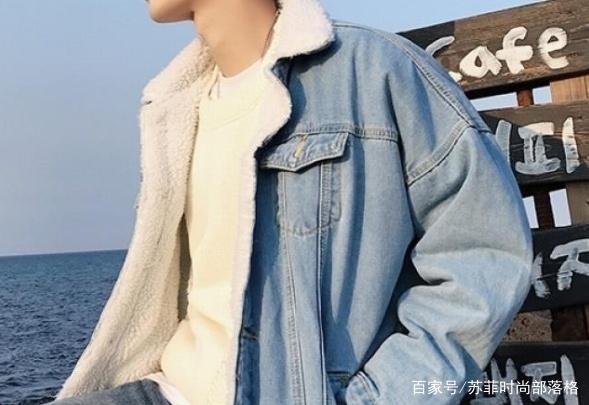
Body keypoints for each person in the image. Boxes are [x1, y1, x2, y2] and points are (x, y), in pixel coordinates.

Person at [49, 0, 534, 404]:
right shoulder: (174, 107)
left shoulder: (373, 70)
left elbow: (482, 254)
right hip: (171, 388)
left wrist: (378, 396)